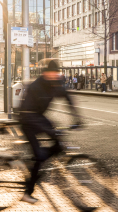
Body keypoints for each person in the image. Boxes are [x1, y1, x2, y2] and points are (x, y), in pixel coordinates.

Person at [19, 59, 81, 204]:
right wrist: (49, 130)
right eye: (52, 73)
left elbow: (67, 97)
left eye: (56, 73)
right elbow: (28, 113)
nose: (55, 76)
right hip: (27, 120)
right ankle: (27, 193)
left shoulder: (55, 84)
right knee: (40, 155)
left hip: (39, 117)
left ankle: (37, 163)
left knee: (58, 143)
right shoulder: (36, 86)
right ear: (46, 73)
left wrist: (76, 117)